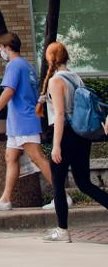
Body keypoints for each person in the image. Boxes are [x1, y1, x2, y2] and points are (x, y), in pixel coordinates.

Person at [41, 42, 108, 242]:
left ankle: (62, 230)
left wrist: (56, 145)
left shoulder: (55, 80)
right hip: (81, 136)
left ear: (50, 58)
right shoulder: (76, 77)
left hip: (66, 135)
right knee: (84, 183)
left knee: (58, 183)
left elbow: (60, 114)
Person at [0, 32, 54, 210]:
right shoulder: (27, 66)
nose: (0, 51)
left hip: (23, 120)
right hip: (20, 121)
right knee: (11, 157)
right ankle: (5, 199)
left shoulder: (14, 65)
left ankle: (62, 196)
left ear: (8, 47)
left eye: (1, 47)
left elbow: (9, 91)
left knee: (37, 157)